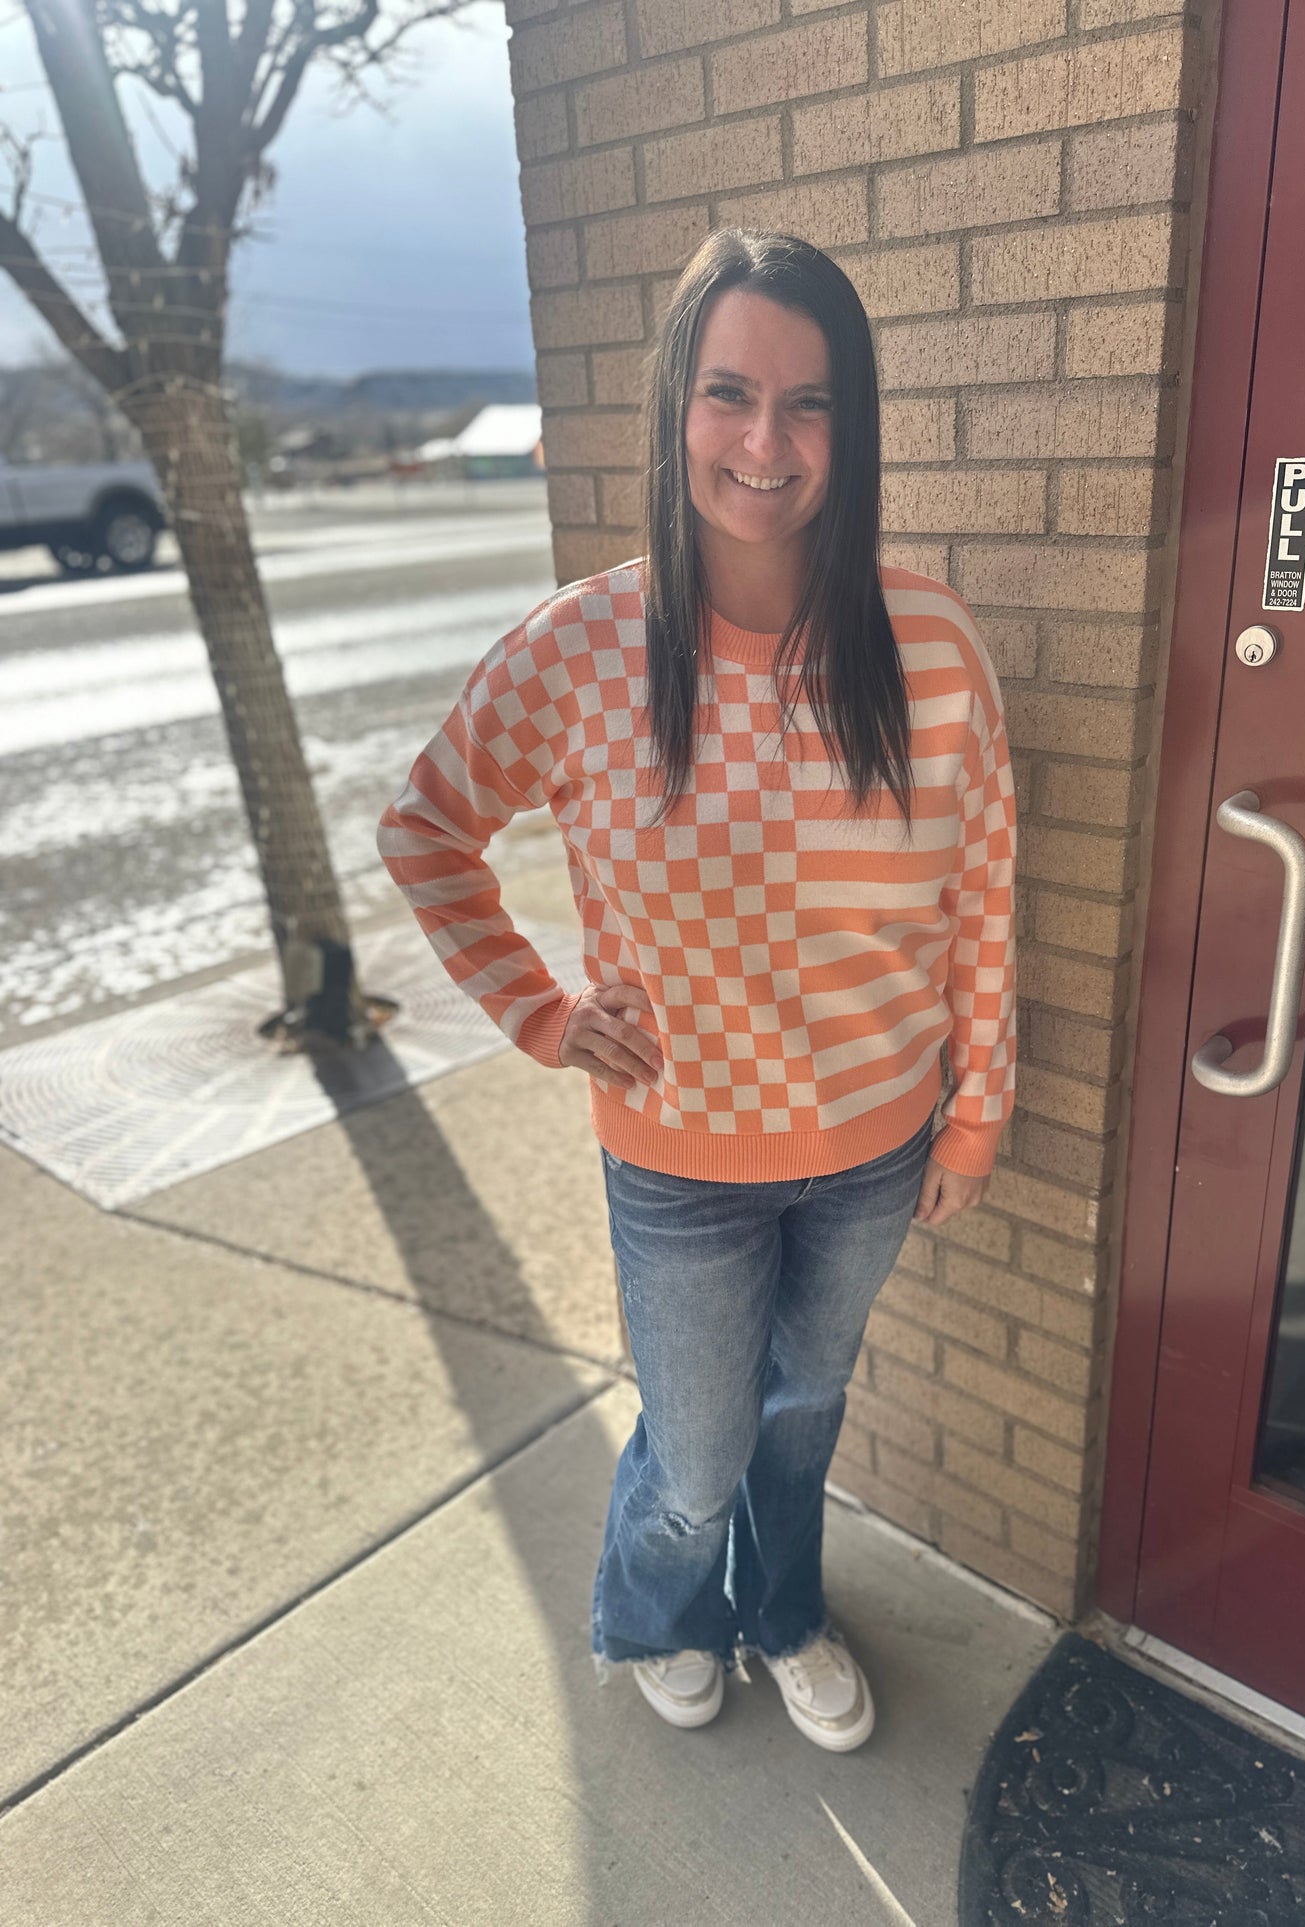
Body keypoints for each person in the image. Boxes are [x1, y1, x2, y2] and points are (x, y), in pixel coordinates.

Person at [376, 228, 1016, 1753]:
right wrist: (539, 1009)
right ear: (677, 409)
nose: (766, 443)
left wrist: (973, 1111)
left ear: (850, 426)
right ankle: (660, 1607)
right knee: (697, 1457)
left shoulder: (928, 643)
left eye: (808, 404)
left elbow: (982, 897)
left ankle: (782, 1611)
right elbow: (427, 828)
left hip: (873, 1148)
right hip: (680, 1161)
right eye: (729, 394)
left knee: (803, 1422)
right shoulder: (585, 645)